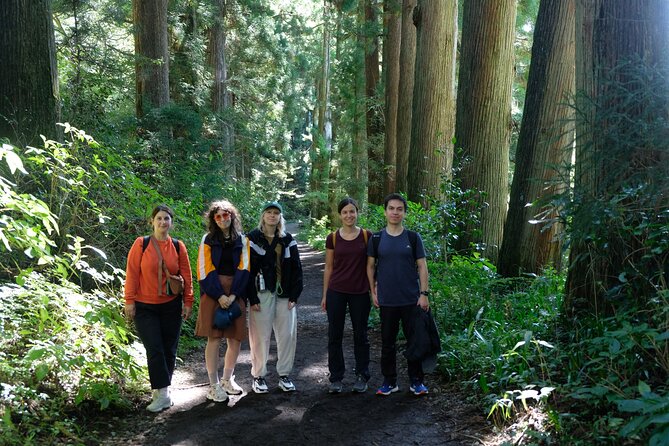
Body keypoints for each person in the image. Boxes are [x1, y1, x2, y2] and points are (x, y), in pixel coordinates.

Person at [124, 205, 194, 412]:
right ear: (152, 222)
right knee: (154, 348)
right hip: (145, 306)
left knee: (169, 348)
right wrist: (129, 300)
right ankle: (163, 394)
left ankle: (161, 391)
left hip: (171, 306)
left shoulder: (178, 246)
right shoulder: (141, 244)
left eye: (167, 219)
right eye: (159, 219)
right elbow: (132, 273)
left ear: (171, 222)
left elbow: (187, 277)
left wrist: (188, 301)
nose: (163, 222)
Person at [366, 193, 430, 396]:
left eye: (399, 209)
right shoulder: (376, 238)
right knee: (387, 342)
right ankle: (389, 381)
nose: (395, 212)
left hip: (411, 299)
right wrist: (372, 291)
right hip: (387, 299)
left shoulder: (413, 237)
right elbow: (369, 267)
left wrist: (424, 293)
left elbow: (422, 266)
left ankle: (416, 381)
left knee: (414, 341)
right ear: (385, 211)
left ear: (404, 212)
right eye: (391, 208)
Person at [194, 200, 251, 403]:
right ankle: (213, 385)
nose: (222, 219)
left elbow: (245, 269)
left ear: (232, 216)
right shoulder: (207, 239)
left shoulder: (242, 240)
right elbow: (204, 269)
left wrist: (234, 295)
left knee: (235, 338)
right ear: (213, 219)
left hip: (236, 291)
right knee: (214, 338)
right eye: (217, 216)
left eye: (225, 215)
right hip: (213, 292)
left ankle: (227, 380)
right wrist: (219, 295)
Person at [247, 201, 303, 393]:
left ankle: (284, 375)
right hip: (261, 295)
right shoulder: (252, 238)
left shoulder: (287, 239)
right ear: (263, 215)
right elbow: (246, 271)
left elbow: (297, 269)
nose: (272, 216)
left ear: (280, 217)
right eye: (269, 212)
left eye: (276, 213)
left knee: (287, 335)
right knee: (260, 337)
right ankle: (259, 376)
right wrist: (252, 298)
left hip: (285, 295)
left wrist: (295, 295)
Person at [321, 197, 372, 394]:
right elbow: (329, 267)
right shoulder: (332, 237)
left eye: (352, 211)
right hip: (336, 292)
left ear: (357, 212)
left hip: (360, 292)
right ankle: (336, 378)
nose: (349, 215)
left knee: (361, 335)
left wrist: (373, 289)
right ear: (340, 215)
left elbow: (371, 266)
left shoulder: (367, 236)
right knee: (335, 335)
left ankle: (362, 375)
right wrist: (325, 294)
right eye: (345, 212)